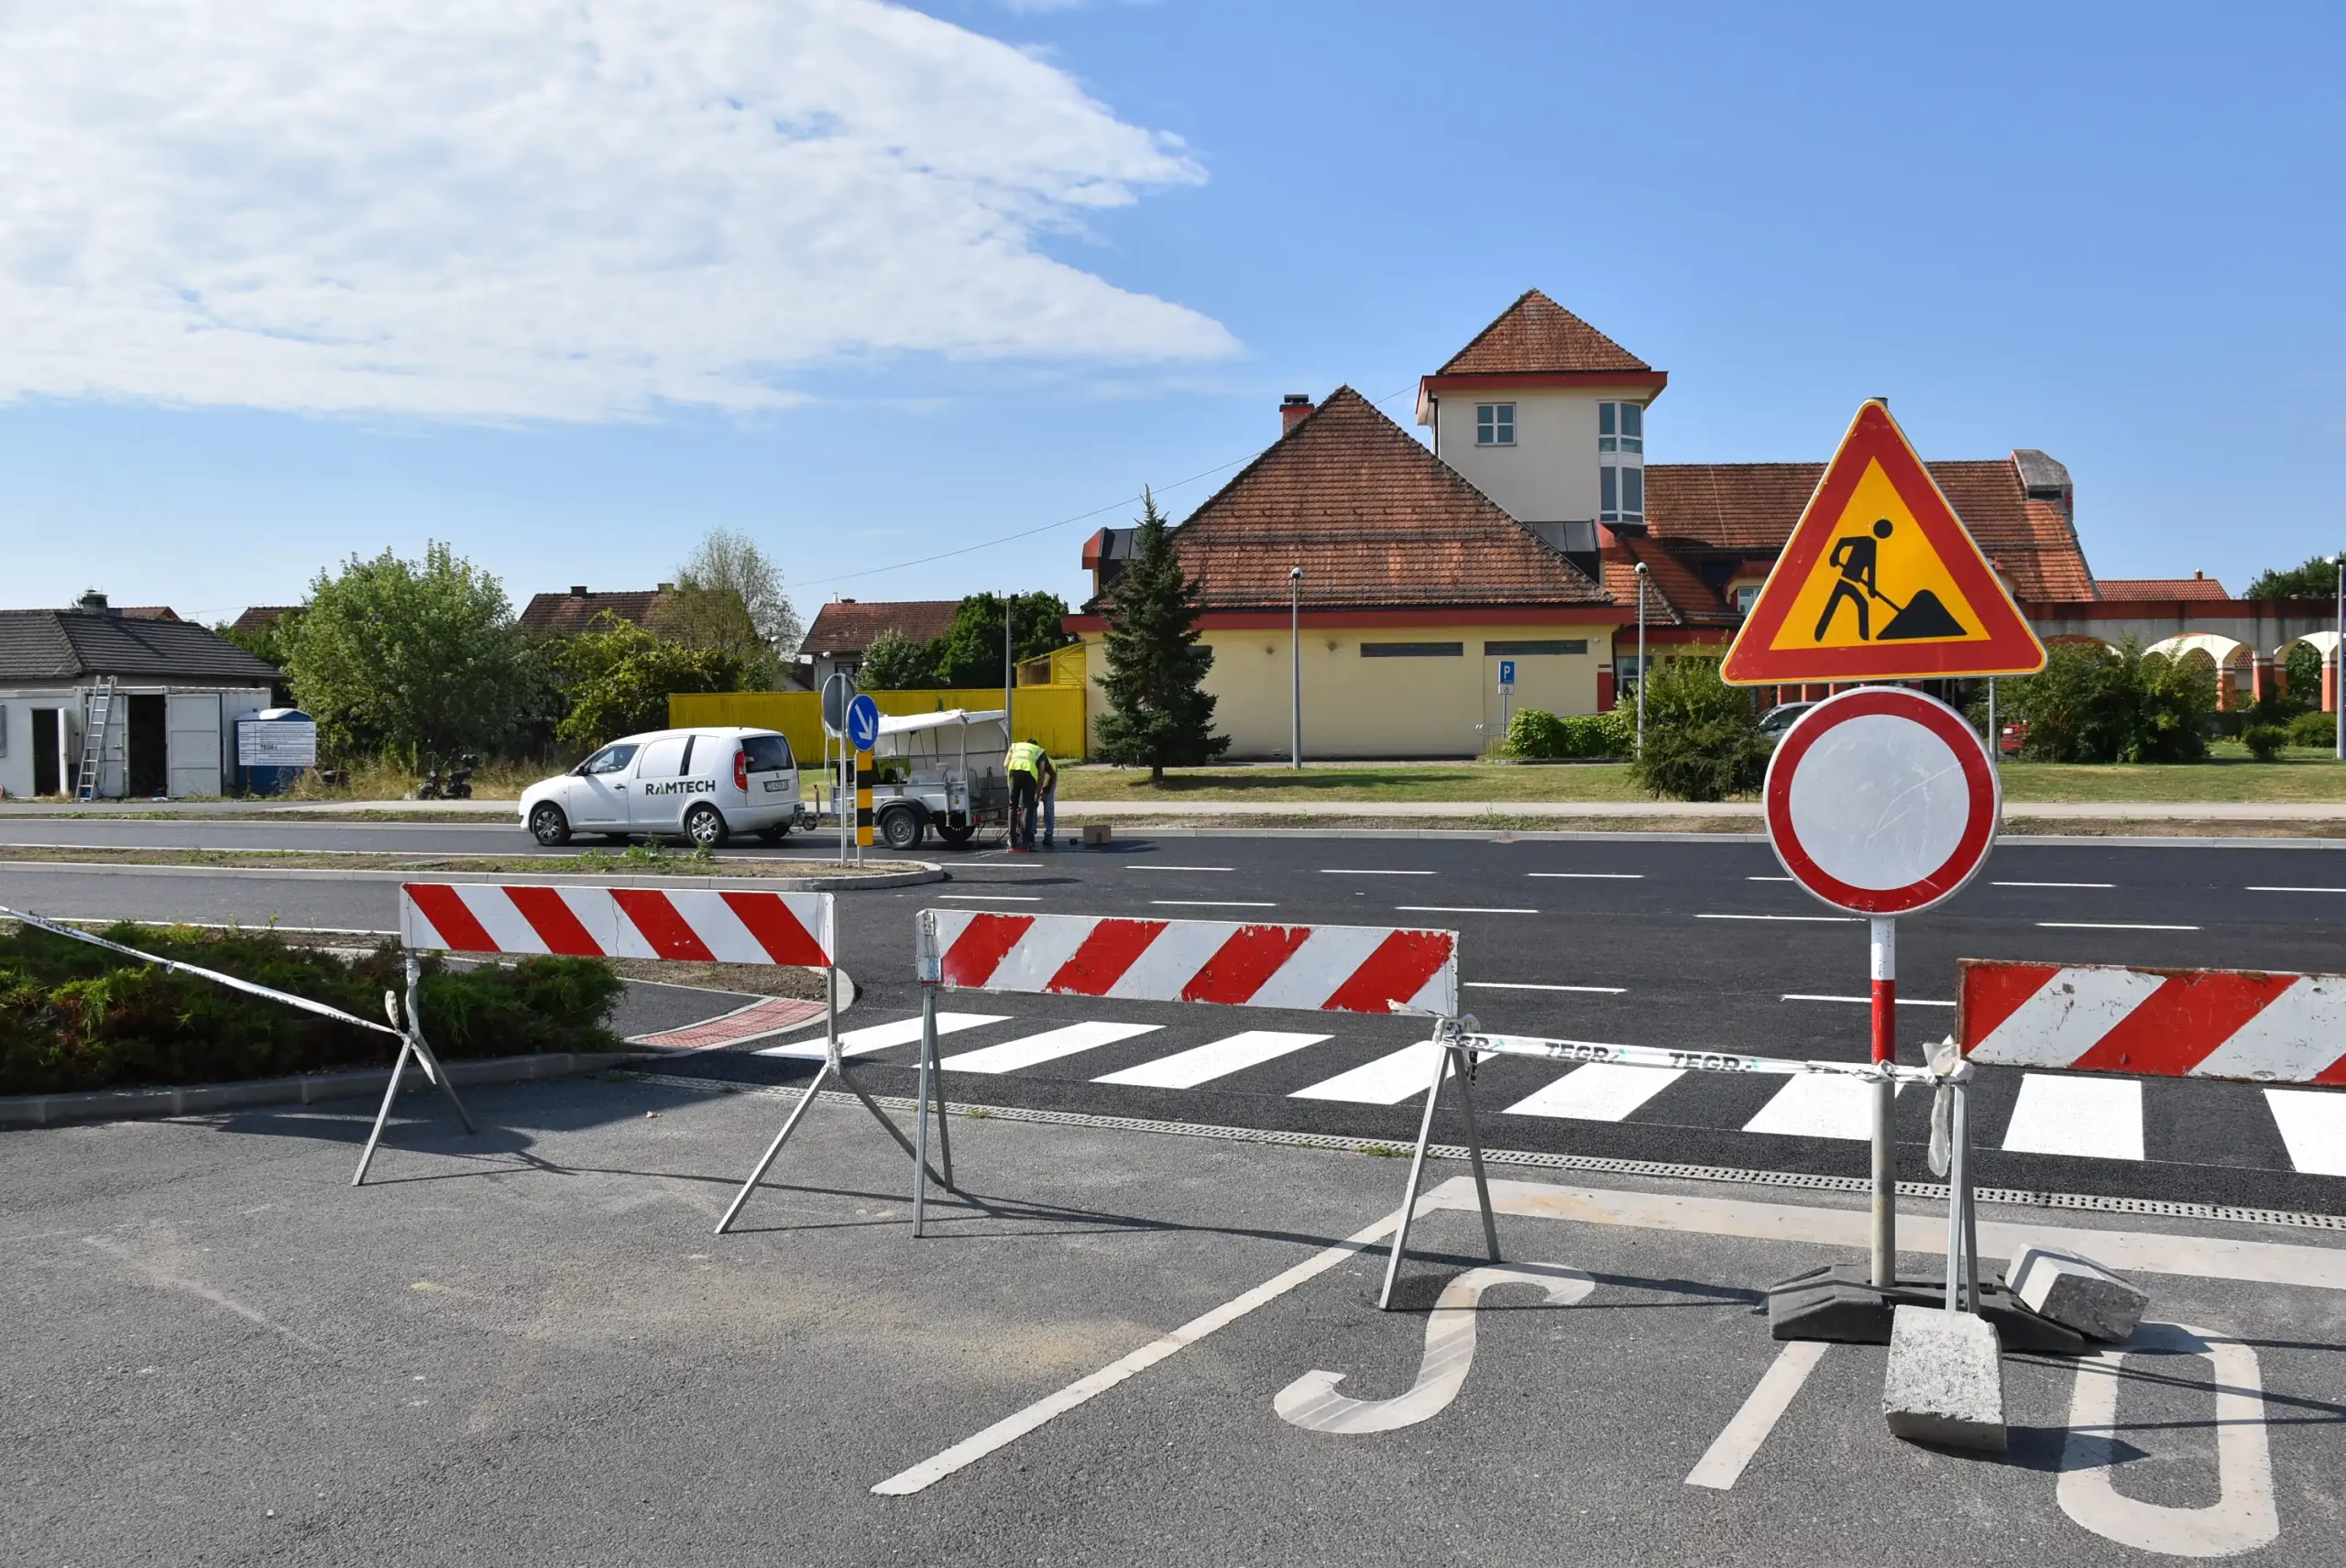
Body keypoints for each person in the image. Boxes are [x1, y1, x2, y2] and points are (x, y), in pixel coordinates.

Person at [1814, 518, 1893, 642]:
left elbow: (1870, 569)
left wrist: (1871, 588)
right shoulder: (1865, 541)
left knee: (1840, 604)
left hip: (1850, 582)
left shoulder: (1871, 545)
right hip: (1846, 580)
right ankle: (1864, 639)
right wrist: (1834, 556)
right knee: (1858, 604)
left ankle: (1819, 635)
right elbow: (1842, 541)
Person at [1004, 735, 1044, 851]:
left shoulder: (1015, 746)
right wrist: (1036, 797)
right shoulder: (1039, 751)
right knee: (1027, 806)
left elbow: (1005, 764)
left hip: (1013, 773)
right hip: (1029, 774)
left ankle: (1012, 840)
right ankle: (1026, 842)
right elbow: (1041, 775)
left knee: (1012, 806)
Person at [1036, 747, 1058, 849]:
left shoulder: (1046, 761)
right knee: (1031, 804)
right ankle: (1031, 833)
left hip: (1049, 780)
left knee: (1048, 804)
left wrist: (1044, 792)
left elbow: (1050, 777)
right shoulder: (1032, 758)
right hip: (1036, 779)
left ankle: (1049, 834)